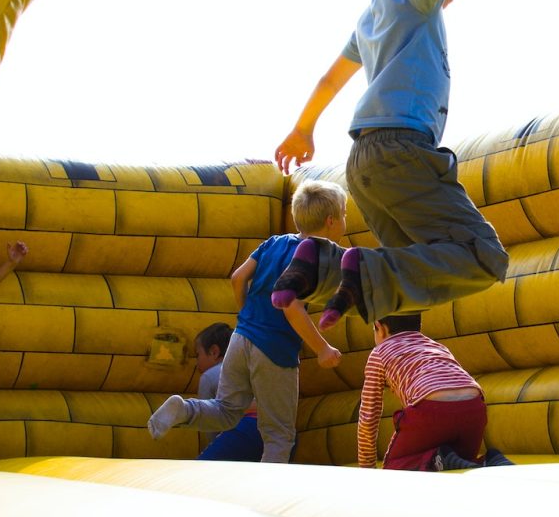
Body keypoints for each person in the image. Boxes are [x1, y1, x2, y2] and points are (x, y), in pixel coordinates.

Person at [271, 0, 510, 332]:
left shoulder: (373, 15)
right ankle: (359, 271)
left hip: (364, 163)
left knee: (409, 277)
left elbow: (332, 79)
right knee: (482, 256)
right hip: (402, 151)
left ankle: (324, 266)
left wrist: (303, 129)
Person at [147, 180, 347, 463]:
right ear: (331, 221)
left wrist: (247, 316)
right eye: (344, 214)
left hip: (241, 338)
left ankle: (184, 410)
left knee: (227, 411)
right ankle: (268, 495)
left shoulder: (274, 243)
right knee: (278, 434)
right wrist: (322, 348)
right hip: (275, 348)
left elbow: (238, 278)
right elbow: (291, 305)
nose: (346, 220)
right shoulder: (315, 257)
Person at [357, 313, 513, 470]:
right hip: (474, 409)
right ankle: (490, 460)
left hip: (431, 410)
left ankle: (436, 460)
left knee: (395, 469)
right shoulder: (436, 347)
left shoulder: (379, 353)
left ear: (379, 327)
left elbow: (369, 415)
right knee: (460, 463)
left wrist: (367, 467)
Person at [192, 322, 264, 461]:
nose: (196, 363)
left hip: (246, 427)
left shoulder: (209, 376)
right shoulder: (252, 367)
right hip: (277, 432)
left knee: (200, 470)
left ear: (214, 352)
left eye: (197, 354)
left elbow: (210, 423)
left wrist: (215, 448)